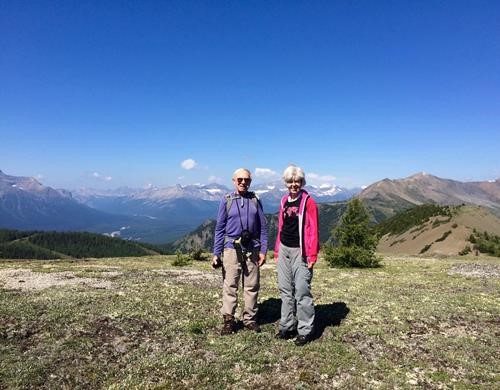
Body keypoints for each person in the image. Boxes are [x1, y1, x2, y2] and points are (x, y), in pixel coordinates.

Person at [212, 168, 268, 335]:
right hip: (231, 248)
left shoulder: (255, 200)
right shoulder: (226, 200)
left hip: (252, 248)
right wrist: (216, 253)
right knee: (230, 284)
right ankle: (229, 319)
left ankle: (249, 319)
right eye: (240, 180)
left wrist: (263, 250)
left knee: (252, 285)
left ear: (250, 181)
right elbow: (219, 228)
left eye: (247, 180)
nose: (243, 182)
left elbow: (263, 227)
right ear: (234, 181)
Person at [274, 165, 319, 346]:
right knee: (285, 290)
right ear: (286, 182)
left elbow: (313, 229)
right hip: (284, 249)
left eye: (297, 181)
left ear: (302, 182)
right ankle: (287, 326)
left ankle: (305, 330)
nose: (294, 184)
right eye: (291, 181)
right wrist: (277, 249)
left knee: (301, 290)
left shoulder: (308, 202)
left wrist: (312, 255)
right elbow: (281, 226)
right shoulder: (284, 200)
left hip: (301, 252)